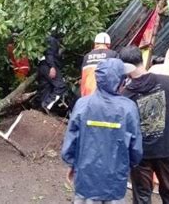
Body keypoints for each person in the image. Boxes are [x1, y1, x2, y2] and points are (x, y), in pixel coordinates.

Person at [61, 58, 143, 204]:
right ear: (120, 81)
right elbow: (136, 150)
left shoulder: (83, 104)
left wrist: (72, 164)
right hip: (115, 181)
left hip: (86, 179)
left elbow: (70, 142)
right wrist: (127, 165)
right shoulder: (128, 108)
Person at [119, 45, 169, 204]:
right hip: (166, 148)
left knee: (142, 196)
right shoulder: (168, 81)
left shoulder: (125, 95)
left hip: (141, 153)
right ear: (141, 60)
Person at [80, 32, 118, 96]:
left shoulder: (87, 57)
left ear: (95, 44)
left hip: (88, 96)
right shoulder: (113, 54)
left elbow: (83, 78)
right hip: (105, 95)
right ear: (108, 45)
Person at [37, 35, 67, 112]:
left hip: (42, 66)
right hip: (49, 65)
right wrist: (52, 67)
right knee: (61, 86)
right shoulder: (52, 40)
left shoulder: (43, 39)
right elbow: (49, 54)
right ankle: (46, 104)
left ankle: (41, 110)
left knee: (46, 88)